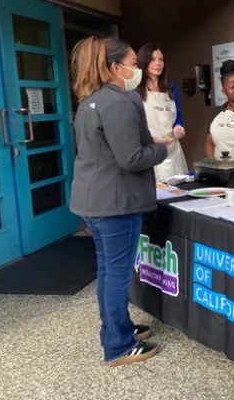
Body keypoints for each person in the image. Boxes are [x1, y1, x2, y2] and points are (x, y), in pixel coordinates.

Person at [70, 36, 168, 366]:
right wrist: (161, 147)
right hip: (115, 203)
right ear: (115, 67)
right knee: (116, 274)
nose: (136, 69)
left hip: (94, 200)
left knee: (107, 271)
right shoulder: (121, 102)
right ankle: (117, 345)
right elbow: (132, 157)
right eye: (134, 64)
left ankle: (118, 328)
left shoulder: (89, 100)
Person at [136, 43, 188, 180]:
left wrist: (178, 127)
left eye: (161, 59)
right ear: (144, 62)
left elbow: (178, 116)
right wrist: (148, 138)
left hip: (173, 149)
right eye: (153, 59)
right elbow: (132, 124)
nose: (158, 63)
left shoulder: (170, 88)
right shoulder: (135, 91)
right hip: (150, 149)